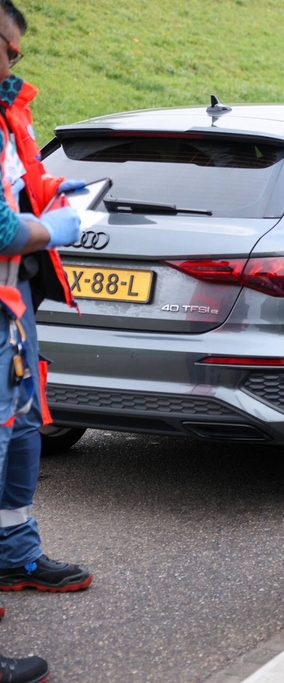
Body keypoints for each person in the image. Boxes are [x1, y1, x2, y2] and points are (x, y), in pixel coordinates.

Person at [0, 3, 84, 680]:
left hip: (12, 304)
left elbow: (19, 187)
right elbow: (3, 228)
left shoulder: (9, 114)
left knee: (24, 428)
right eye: (9, 49)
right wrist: (59, 229)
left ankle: (14, 553)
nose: (13, 64)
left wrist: (57, 192)